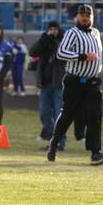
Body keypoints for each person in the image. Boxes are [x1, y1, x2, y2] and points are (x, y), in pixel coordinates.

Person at [47, 4, 103, 166]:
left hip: (92, 83)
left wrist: (99, 67)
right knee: (67, 115)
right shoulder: (72, 33)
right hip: (75, 82)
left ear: (92, 18)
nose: (84, 18)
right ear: (77, 17)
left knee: (95, 116)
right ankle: (54, 144)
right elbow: (61, 53)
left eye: (87, 15)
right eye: (82, 15)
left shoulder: (96, 33)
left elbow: (96, 55)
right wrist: (82, 57)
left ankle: (96, 153)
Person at [29, 21, 67, 150]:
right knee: (44, 114)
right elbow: (32, 52)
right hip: (45, 84)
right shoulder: (45, 41)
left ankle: (60, 142)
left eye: (55, 29)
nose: (53, 32)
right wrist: (43, 40)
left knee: (59, 115)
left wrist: (54, 41)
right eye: (50, 29)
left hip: (59, 84)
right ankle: (53, 139)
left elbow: (61, 53)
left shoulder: (64, 40)